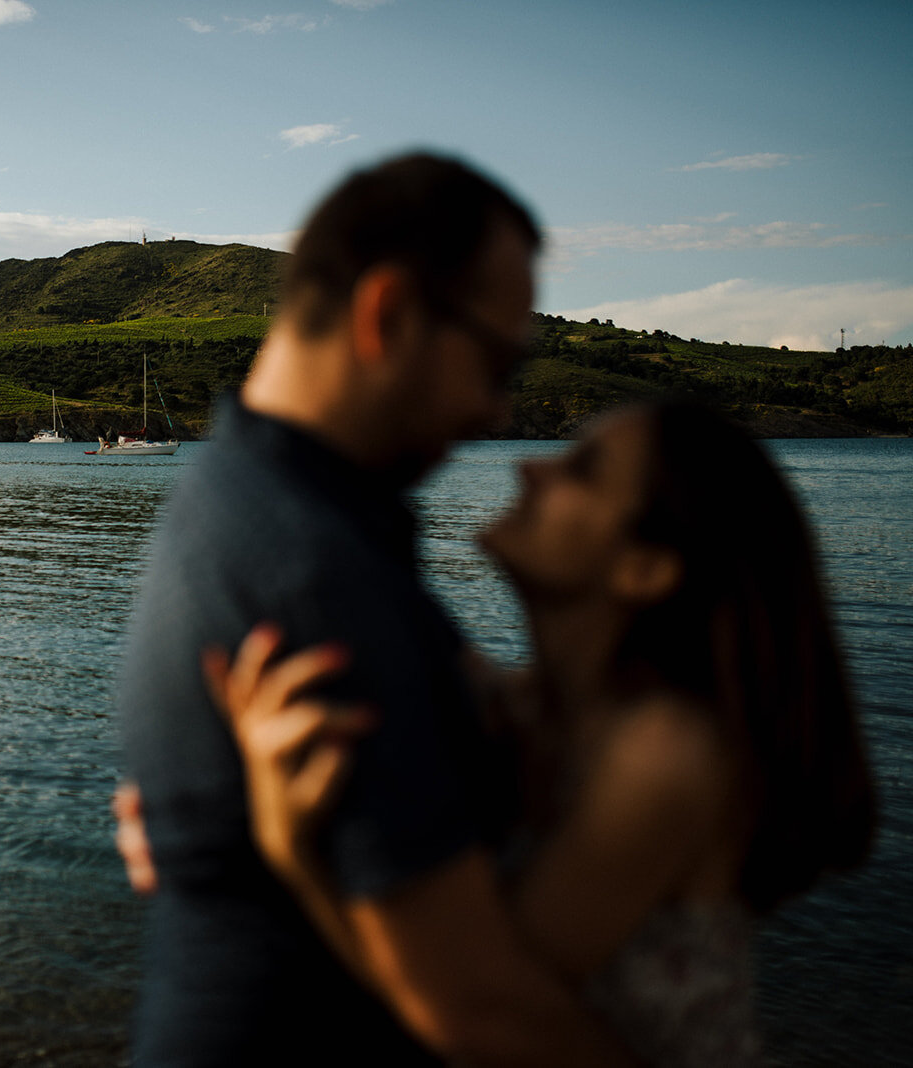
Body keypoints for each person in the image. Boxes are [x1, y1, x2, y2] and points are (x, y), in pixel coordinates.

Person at [117, 153, 638, 1065]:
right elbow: (482, 1014)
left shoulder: (243, 499)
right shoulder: (309, 576)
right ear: (388, 314)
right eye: (495, 361)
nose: (495, 414)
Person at [205, 401, 877, 1065]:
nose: (529, 467)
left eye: (581, 470)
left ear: (643, 567)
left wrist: (289, 851)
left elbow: (480, 1021)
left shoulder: (665, 754)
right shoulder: (513, 706)